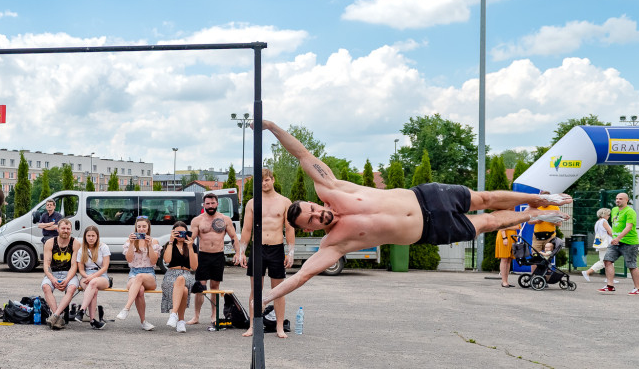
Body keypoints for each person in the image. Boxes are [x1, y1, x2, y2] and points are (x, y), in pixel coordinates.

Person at [255, 120, 572, 306]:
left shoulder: (333, 189)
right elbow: (302, 276)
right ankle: (533, 215)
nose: (316, 216)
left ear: (316, 202)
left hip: (425, 197)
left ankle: (543, 200)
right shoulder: (333, 245)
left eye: (312, 209)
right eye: (309, 221)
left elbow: (301, 153)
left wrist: (270, 126)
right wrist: (264, 300)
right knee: (488, 223)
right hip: (429, 231)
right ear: (309, 230)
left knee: (485, 198)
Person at [235, 168, 294, 338]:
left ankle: (280, 327)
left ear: (273, 180)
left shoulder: (284, 202)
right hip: (258, 248)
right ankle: (253, 325)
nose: (264, 183)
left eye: (267, 180)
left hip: (276, 248)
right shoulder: (252, 203)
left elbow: (289, 228)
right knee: (256, 289)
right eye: (260, 181)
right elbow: (247, 229)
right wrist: (241, 252)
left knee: (279, 290)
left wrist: (290, 252)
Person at [189, 193, 240, 325]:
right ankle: (196, 316)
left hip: (218, 255)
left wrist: (238, 253)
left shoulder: (225, 219)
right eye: (208, 204)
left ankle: (213, 315)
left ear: (217, 204)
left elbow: (234, 237)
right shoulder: (197, 220)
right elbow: (191, 239)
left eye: (213, 203)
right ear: (204, 205)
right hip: (203, 256)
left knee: (215, 286)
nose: (210, 206)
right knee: (200, 287)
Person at [116, 216, 160, 331]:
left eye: (144, 226)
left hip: (149, 274)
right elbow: (129, 260)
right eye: (139, 226)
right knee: (139, 290)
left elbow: (154, 261)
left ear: (148, 227)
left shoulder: (154, 241)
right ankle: (143, 322)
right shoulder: (130, 241)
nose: (141, 229)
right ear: (136, 227)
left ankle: (126, 308)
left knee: (140, 277)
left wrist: (149, 245)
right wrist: (131, 244)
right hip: (133, 273)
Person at [599, 192, 639, 295]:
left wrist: (618, 237)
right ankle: (610, 285)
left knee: (631, 265)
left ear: (626, 200)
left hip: (629, 242)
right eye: (617, 198)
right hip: (615, 242)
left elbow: (629, 227)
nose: (618, 200)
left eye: (621, 199)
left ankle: (638, 288)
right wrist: (614, 237)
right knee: (607, 261)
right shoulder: (614, 210)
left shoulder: (630, 211)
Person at [42, 218, 80, 330]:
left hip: (69, 274)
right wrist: (52, 279)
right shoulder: (50, 243)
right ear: (58, 229)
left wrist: (67, 280)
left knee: (72, 288)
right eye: (63, 228)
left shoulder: (75, 243)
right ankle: (58, 318)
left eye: (68, 228)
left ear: (71, 230)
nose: (65, 230)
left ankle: (54, 316)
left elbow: (74, 266)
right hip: (53, 273)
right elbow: (46, 265)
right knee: (46, 287)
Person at [161, 221, 198, 334]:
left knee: (181, 279)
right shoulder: (169, 244)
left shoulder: (192, 246)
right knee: (184, 290)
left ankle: (173, 314)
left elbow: (194, 266)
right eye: (177, 233)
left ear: (187, 233)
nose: (180, 235)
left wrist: (190, 247)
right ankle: (181, 321)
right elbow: (167, 260)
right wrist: (171, 241)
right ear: (173, 233)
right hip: (171, 274)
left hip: (187, 274)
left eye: (182, 232)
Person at [75, 225, 109, 330]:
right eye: (88, 236)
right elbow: (80, 270)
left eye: (93, 236)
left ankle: (81, 311)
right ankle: (93, 321)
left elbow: (105, 267)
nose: (91, 238)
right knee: (93, 291)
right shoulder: (81, 250)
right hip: (86, 275)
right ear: (85, 237)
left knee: (93, 283)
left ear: (97, 236)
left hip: (101, 276)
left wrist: (93, 277)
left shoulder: (103, 247)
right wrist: (87, 276)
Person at [582, 208, 613, 282]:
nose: (609, 216)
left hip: (600, 243)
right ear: (604, 215)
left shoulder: (597, 222)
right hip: (605, 243)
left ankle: (609, 277)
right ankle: (588, 272)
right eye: (608, 215)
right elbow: (610, 232)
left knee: (609, 260)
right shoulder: (604, 221)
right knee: (604, 261)